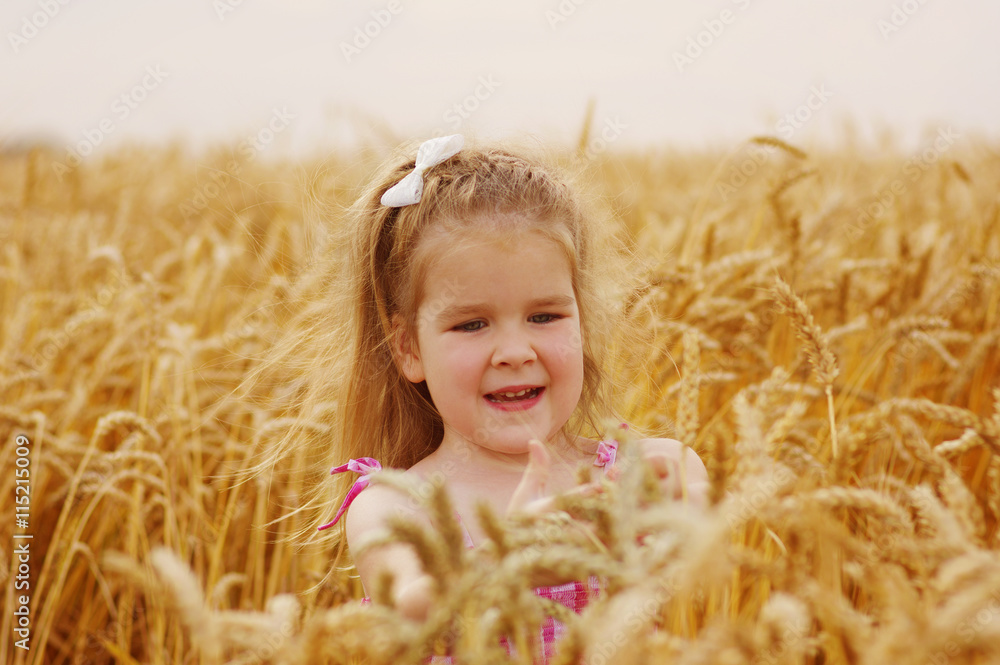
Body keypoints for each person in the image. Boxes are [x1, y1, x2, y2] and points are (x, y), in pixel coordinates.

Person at [259, 134, 708, 659]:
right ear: (409, 349)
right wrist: (510, 556)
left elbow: (700, 577)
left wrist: (683, 514)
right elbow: (407, 606)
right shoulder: (393, 503)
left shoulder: (638, 472)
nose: (514, 352)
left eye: (545, 316)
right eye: (472, 324)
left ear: (583, 321)